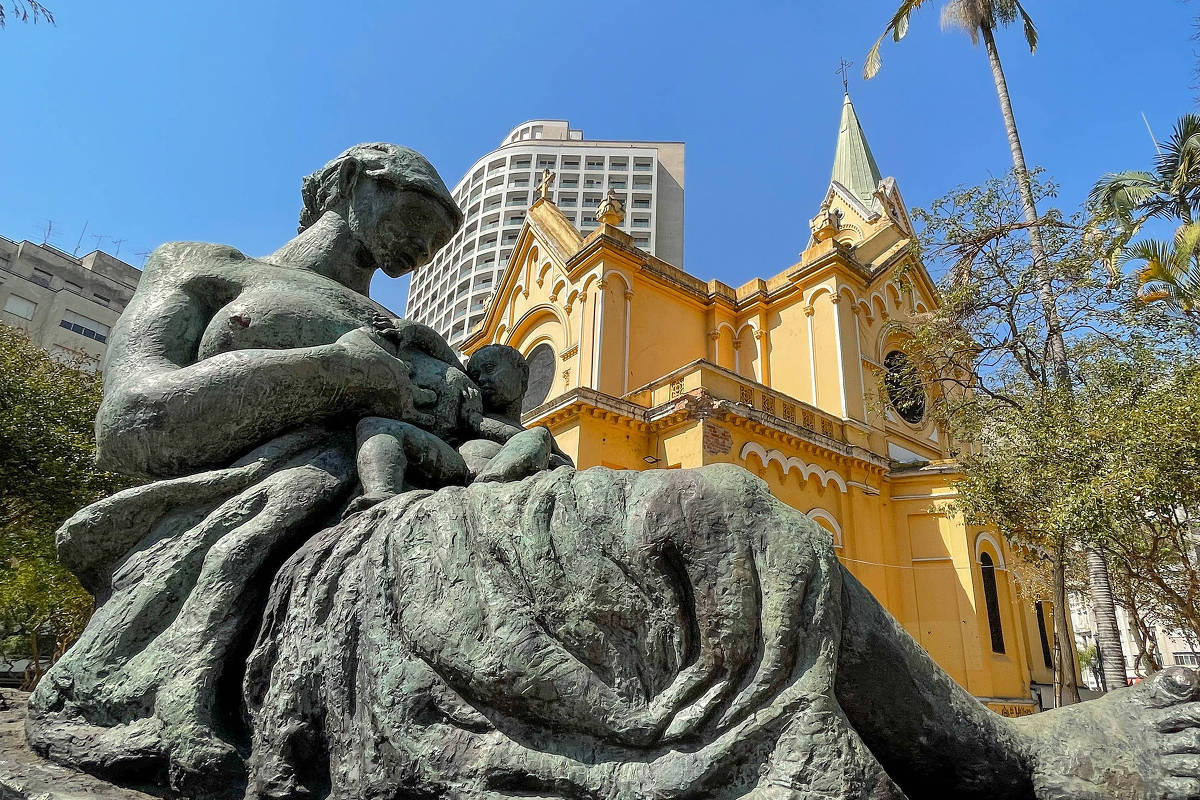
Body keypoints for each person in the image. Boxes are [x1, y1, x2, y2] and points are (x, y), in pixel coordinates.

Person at [27, 143, 1199, 800]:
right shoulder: (203, 269)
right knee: (713, 529)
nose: (428, 246)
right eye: (420, 214)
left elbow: (481, 448)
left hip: (442, 504)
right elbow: (133, 426)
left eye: (444, 236)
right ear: (350, 180)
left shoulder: (425, 343)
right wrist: (342, 376)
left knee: (723, 506)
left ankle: (989, 754)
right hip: (314, 539)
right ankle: (997, 766)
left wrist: (504, 438)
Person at [347, 342, 572, 516]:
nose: (482, 379)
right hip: (455, 466)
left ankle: (489, 486)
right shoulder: (466, 407)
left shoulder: (530, 434)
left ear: (522, 374)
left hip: (490, 484)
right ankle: (381, 495)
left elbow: (563, 463)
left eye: (490, 369)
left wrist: (477, 423)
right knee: (376, 425)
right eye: (475, 376)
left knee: (539, 433)